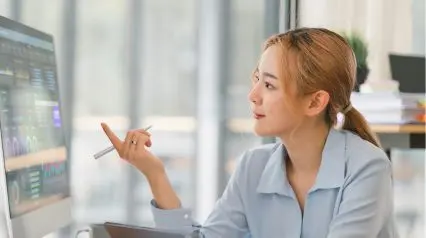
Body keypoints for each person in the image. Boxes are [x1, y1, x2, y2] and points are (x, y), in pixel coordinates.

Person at [101, 28, 398, 238]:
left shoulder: (366, 166)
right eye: (256, 80)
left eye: (269, 85)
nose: (253, 95)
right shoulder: (253, 167)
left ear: (315, 101)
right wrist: (155, 174)